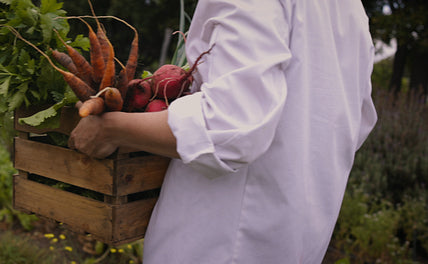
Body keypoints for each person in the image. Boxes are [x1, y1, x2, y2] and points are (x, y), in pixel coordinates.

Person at [68, 0, 378, 262]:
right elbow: (356, 123)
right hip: (299, 237)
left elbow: (229, 127)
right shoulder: (350, 9)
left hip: (218, 240)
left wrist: (113, 130)